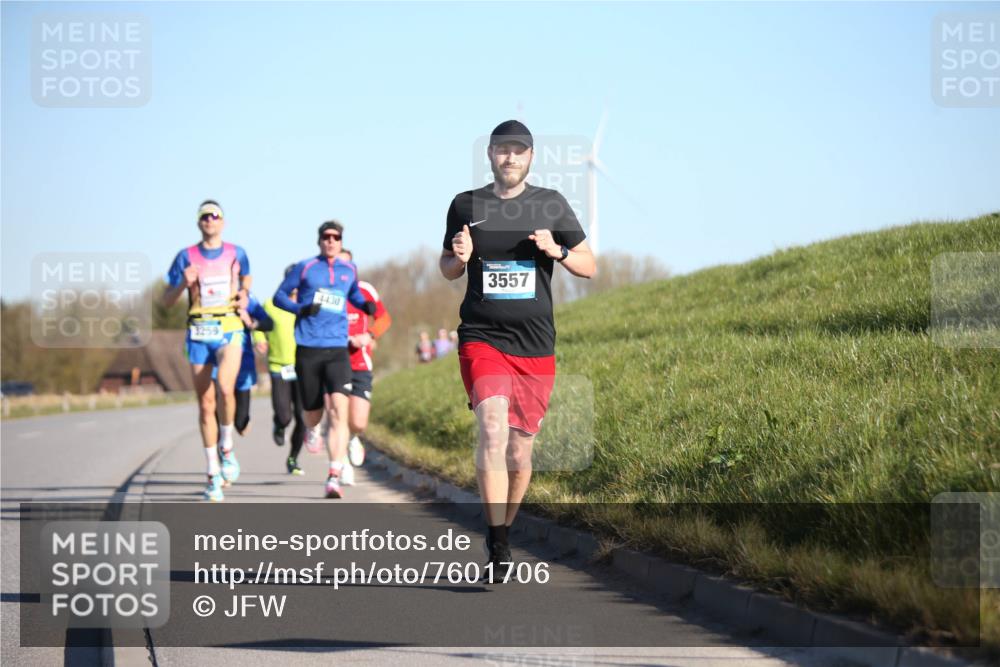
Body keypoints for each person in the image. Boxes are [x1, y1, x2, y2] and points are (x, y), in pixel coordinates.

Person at [439, 120, 596, 580]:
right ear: (490, 154)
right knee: (492, 429)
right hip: (482, 336)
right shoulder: (465, 204)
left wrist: (557, 250)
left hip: (535, 345)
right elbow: (447, 267)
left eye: (518, 151)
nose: (510, 157)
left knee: (520, 454)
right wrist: (458, 258)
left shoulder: (551, 204)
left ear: (530, 157)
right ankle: (498, 543)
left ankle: (503, 531)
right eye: (502, 150)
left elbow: (589, 264)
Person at [273, 221, 376, 499]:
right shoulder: (305, 267)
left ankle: (333, 475)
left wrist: (365, 304)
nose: (331, 241)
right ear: (319, 241)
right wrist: (300, 309)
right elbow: (279, 296)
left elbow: (353, 293)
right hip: (309, 348)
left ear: (341, 242)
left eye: (336, 237)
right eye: (326, 237)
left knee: (339, 411)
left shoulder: (349, 269)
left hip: (337, 349)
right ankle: (312, 428)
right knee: (312, 412)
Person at [162, 200, 252, 502]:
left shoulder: (237, 252)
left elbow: (247, 277)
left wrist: (244, 294)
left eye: (215, 215)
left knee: (225, 388)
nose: (209, 220)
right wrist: (182, 284)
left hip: (229, 328)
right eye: (204, 216)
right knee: (205, 404)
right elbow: (166, 300)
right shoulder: (185, 256)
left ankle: (227, 447)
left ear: (223, 222)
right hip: (199, 331)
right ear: (198, 222)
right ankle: (213, 473)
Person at [336, 249, 392, 486]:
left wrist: (368, 335)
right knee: (338, 415)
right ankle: (342, 464)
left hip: (360, 362)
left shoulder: (365, 290)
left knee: (358, 422)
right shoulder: (324, 292)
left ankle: (353, 438)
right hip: (333, 361)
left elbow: (384, 319)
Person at [254, 267, 306, 475]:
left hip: (304, 367)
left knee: (303, 417)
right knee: (285, 415)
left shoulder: (306, 306)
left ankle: (293, 458)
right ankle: (279, 424)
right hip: (278, 366)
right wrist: (259, 339)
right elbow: (259, 325)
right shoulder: (271, 304)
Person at [213, 291, 272, 470]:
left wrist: (251, 322)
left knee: (241, 424)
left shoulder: (245, 298)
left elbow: (269, 323)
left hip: (242, 363)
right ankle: (223, 460)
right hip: (214, 360)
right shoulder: (209, 292)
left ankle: (239, 424)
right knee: (217, 416)